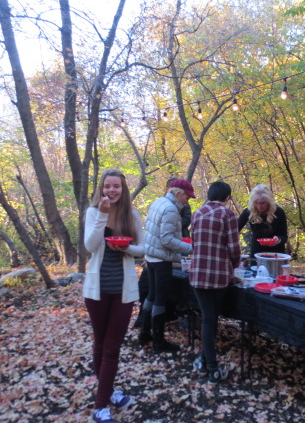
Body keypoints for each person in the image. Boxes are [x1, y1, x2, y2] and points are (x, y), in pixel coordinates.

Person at [83, 169, 144, 423]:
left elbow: (143, 249)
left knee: (111, 347)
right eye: (107, 186)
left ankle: (100, 404)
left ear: (123, 188)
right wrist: (102, 216)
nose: (111, 190)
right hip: (96, 291)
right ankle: (107, 392)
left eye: (116, 186)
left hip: (123, 292)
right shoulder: (93, 212)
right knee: (99, 343)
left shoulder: (133, 215)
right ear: (102, 188)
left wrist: (126, 247)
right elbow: (89, 246)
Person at [190, 181, 241, 384]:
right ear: (227, 198)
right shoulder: (228, 215)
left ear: (209, 195)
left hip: (197, 274)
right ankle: (212, 368)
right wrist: (234, 266)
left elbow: (195, 245)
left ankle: (203, 362)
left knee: (208, 318)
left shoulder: (197, 213)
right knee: (210, 320)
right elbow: (234, 249)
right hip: (218, 276)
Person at [140, 178, 194, 353]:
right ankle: (158, 341)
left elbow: (149, 226)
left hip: (152, 255)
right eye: (187, 197)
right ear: (178, 194)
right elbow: (166, 239)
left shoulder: (159, 201)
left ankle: (144, 333)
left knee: (152, 295)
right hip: (162, 258)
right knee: (161, 299)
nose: (187, 201)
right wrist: (189, 248)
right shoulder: (171, 209)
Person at [238, 184, 288, 258]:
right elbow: (234, 229)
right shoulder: (249, 212)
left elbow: (284, 237)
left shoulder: (279, 212)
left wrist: (278, 240)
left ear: (269, 202)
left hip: (276, 255)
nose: (259, 206)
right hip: (256, 255)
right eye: (256, 203)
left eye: (262, 203)